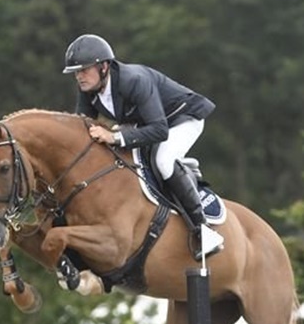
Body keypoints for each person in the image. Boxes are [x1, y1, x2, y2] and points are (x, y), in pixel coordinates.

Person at [62, 34, 224, 260]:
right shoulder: (88, 88)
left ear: (103, 67)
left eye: (84, 70)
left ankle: (203, 229)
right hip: (146, 122)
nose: (79, 76)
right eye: (76, 72)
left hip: (182, 118)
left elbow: (159, 130)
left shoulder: (134, 81)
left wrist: (114, 137)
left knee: (163, 160)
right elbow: (82, 127)